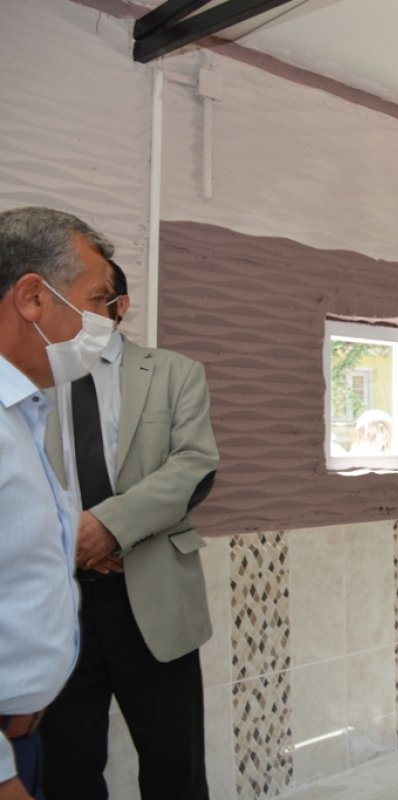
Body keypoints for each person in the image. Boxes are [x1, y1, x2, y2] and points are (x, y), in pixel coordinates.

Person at [38, 260, 219, 798]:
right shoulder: (33, 377)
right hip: (60, 602)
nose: (80, 312)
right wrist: (71, 540)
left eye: (93, 299)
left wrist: (107, 528)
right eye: (69, 298)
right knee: (66, 769)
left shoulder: (175, 373)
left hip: (153, 596)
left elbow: (193, 466)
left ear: (121, 305)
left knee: (174, 769)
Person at [0, 206, 116, 800]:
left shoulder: (22, 412)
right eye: (96, 301)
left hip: (28, 736)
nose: (106, 321)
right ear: (32, 298)